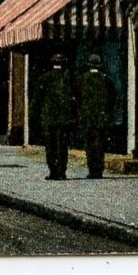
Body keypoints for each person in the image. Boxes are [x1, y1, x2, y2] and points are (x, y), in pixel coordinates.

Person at [35, 52, 76, 180]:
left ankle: (53, 171)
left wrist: (35, 114)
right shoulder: (69, 79)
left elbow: (37, 99)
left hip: (49, 118)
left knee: (50, 146)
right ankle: (62, 171)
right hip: (64, 118)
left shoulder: (44, 78)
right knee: (62, 145)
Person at [78, 53, 117, 180]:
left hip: (87, 117)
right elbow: (113, 98)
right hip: (102, 117)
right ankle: (99, 170)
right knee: (100, 144)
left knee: (89, 145)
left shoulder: (82, 79)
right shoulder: (106, 80)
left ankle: (91, 169)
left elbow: (77, 98)